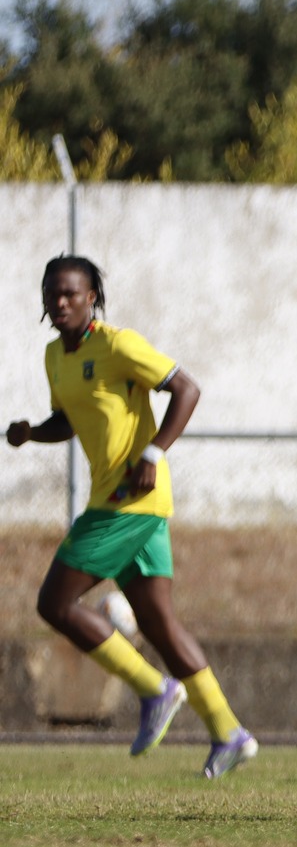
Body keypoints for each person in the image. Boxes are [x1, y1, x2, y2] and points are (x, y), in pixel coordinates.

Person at [7, 256, 257, 777]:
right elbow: (68, 419)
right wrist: (32, 433)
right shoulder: (56, 356)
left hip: (132, 500)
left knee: (55, 602)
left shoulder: (119, 344)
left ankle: (154, 688)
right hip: (115, 500)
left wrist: (154, 452)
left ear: (94, 295)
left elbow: (186, 388)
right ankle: (228, 732)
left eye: (72, 293)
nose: (60, 303)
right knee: (158, 623)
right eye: (52, 294)